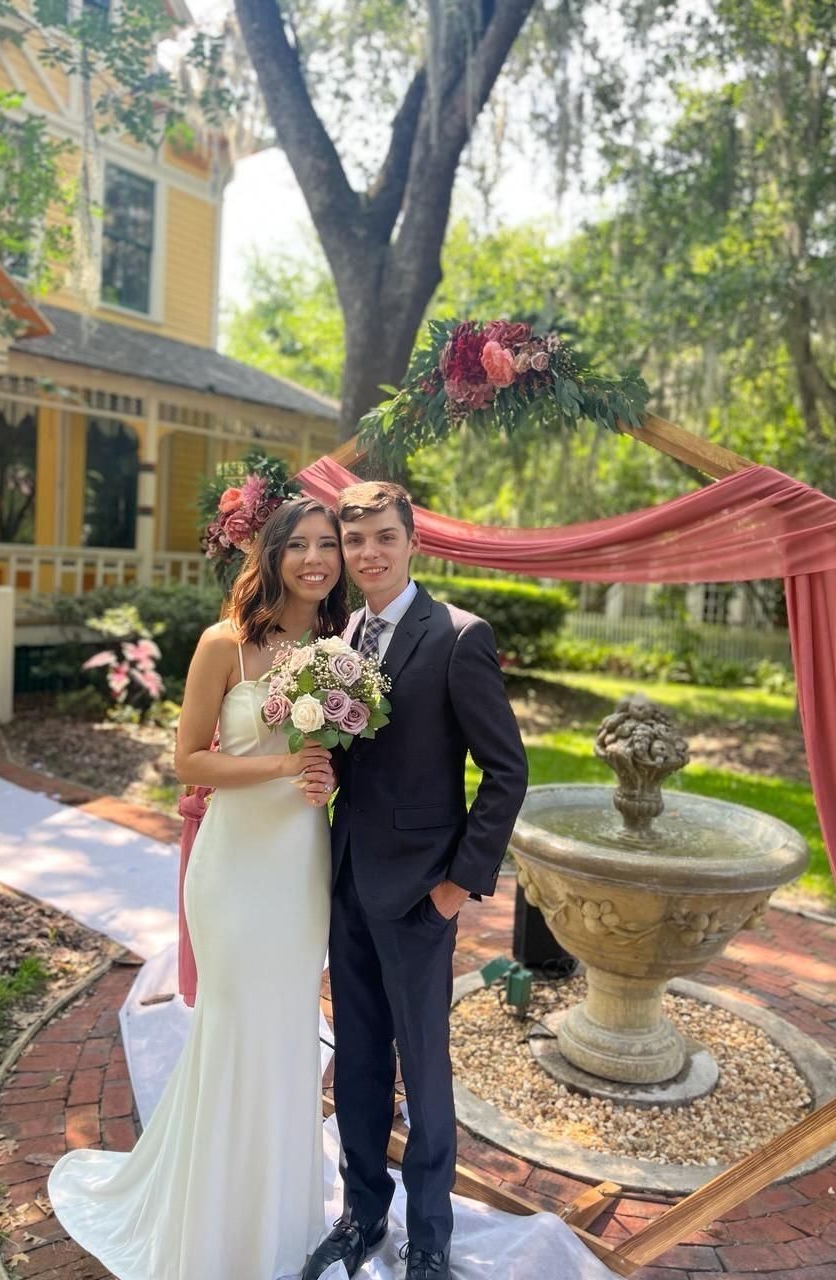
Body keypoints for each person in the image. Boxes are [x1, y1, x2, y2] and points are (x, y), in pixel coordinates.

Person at [48, 497, 347, 1280]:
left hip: (300, 866)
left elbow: (352, 752)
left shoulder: (342, 646)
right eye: (302, 545)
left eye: (330, 546)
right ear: (274, 554)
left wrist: (326, 775)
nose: (317, 559)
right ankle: (210, 1229)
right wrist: (285, 765)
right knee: (235, 1029)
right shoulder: (226, 644)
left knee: (285, 1034)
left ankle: (274, 1224)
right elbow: (188, 760)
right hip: (234, 869)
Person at [305, 481, 528, 1280]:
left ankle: (430, 1233)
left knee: (425, 1072)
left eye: (383, 539)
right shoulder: (343, 636)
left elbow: (507, 774)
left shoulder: (459, 637)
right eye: (354, 540)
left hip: (420, 895)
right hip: (347, 882)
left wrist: (458, 887)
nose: (367, 554)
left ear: (412, 543)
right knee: (359, 1058)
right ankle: (362, 1213)